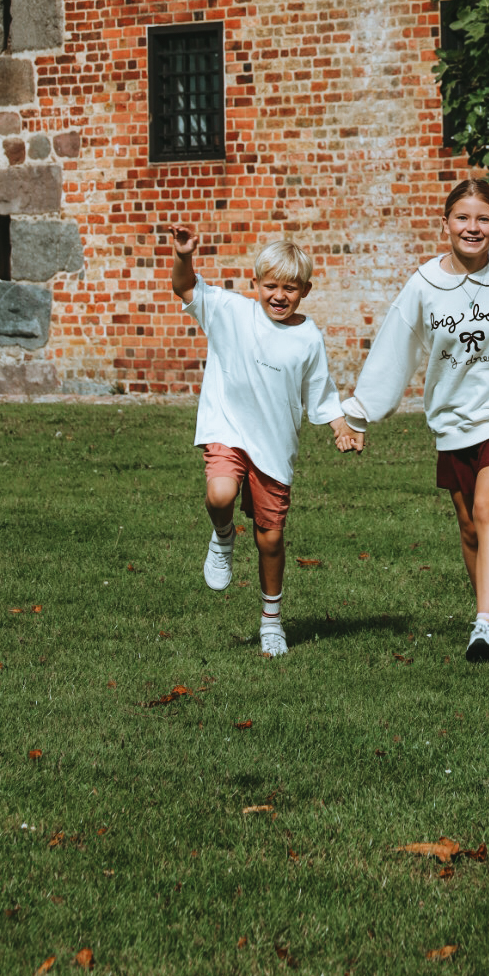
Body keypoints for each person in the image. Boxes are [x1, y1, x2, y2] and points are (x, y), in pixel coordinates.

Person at [348, 179, 489, 664]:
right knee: (469, 526)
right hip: (454, 419)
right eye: (463, 218)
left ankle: (486, 628)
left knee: (487, 503)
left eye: (483, 219)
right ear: (446, 223)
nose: (472, 228)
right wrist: (360, 412)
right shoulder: (424, 284)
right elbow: (395, 350)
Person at [170, 228, 364, 657]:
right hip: (229, 429)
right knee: (219, 494)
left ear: (305, 291)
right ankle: (222, 537)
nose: (279, 295)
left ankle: (271, 620)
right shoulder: (230, 312)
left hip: (274, 448)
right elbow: (184, 285)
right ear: (255, 283)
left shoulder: (308, 337)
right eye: (271, 285)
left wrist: (340, 427)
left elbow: (320, 391)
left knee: (270, 540)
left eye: (289, 288)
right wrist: (184, 254)